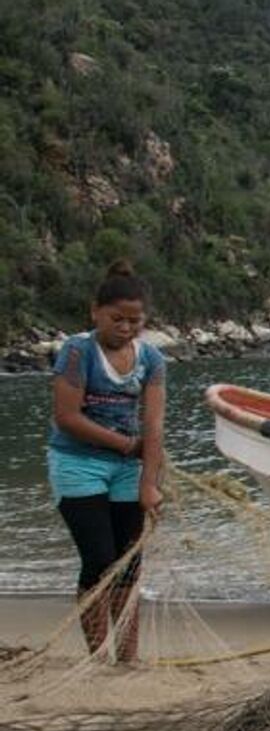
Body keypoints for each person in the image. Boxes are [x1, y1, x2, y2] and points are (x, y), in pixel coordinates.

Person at [47, 260, 169, 663]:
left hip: (127, 468)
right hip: (78, 463)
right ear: (94, 312)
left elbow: (153, 424)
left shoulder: (151, 359)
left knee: (129, 564)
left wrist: (149, 482)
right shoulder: (78, 352)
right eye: (117, 318)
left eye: (135, 321)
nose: (126, 327)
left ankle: (127, 657)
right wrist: (124, 444)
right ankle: (97, 656)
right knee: (99, 560)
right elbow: (67, 417)